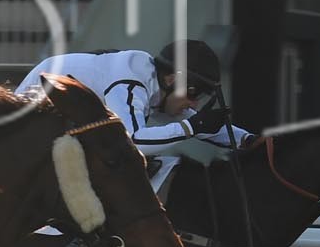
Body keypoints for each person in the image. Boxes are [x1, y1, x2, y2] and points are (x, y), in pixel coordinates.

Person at [15, 40, 251, 192]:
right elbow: (134, 142)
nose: (194, 103)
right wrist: (192, 127)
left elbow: (198, 123)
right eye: (193, 93)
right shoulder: (129, 85)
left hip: (64, 125)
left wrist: (247, 139)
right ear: (172, 80)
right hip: (35, 131)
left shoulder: (153, 83)